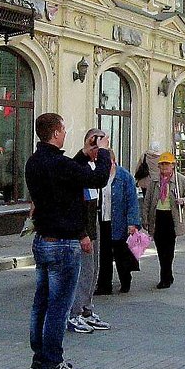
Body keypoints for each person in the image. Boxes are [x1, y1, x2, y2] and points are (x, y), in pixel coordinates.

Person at [25, 113, 111, 369]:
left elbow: (66, 174)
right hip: (63, 244)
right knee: (59, 307)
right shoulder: (58, 164)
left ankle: (39, 358)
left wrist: (84, 155)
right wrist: (104, 152)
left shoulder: (35, 162)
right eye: (63, 129)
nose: (65, 133)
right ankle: (54, 362)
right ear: (55, 132)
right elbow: (95, 180)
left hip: (42, 240)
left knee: (41, 303)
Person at [67, 129, 113, 333]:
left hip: (93, 224)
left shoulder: (91, 166)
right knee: (82, 272)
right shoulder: (79, 167)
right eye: (97, 145)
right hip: (81, 228)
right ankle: (74, 313)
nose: (101, 150)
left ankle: (86, 309)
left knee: (92, 270)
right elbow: (99, 179)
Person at [142, 152, 185, 289]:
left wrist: (183, 201)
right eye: (162, 165)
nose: (164, 168)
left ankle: (165, 277)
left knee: (168, 249)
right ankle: (167, 275)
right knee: (160, 248)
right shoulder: (154, 181)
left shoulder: (179, 180)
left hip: (171, 217)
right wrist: (145, 218)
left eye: (166, 165)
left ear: (173, 166)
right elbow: (147, 200)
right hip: (157, 217)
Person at [95, 149, 141, 295]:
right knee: (104, 255)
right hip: (103, 220)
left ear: (113, 162)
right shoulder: (98, 175)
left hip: (120, 221)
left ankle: (125, 280)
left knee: (121, 254)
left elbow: (132, 201)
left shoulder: (124, 177)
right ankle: (104, 285)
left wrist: (132, 223)